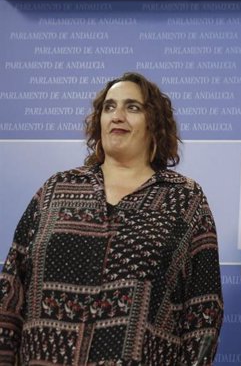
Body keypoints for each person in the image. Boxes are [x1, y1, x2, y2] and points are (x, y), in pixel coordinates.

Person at [0, 72, 224, 365]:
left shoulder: (184, 199)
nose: (117, 116)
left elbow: (204, 312)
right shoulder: (56, 189)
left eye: (132, 107)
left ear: (154, 123)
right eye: (109, 107)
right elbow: (11, 290)